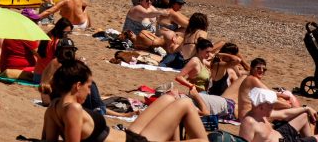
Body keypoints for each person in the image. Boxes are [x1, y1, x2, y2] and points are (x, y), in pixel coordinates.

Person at [41, 60, 209, 142]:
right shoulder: (74, 110)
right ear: (78, 86)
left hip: (129, 135)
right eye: (89, 86)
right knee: (185, 104)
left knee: (169, 98)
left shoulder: (53, 108)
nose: (89, 91)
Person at [240, 86, 318, 142]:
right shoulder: (249, 123)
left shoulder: (262, 114)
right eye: (270, 105)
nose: (273, 106)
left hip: (281, 135)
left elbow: (284, 114)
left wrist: (306, 108)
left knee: (303, 116)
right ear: (261, 106)